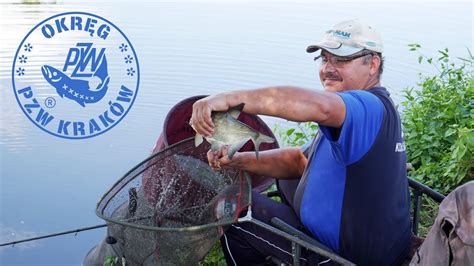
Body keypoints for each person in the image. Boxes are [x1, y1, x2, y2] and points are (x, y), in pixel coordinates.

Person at [190, 19, 412, 265]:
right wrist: (236, 160)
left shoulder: (366, 107)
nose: (328, 68)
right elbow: (299, 161)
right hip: (334, 240)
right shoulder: (350, 112)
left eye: (340, 59)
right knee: (288, 183)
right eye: (325, 59)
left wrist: (229, 100)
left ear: (372, 64)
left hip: (343, 259)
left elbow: (318, 106)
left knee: (234, 209)